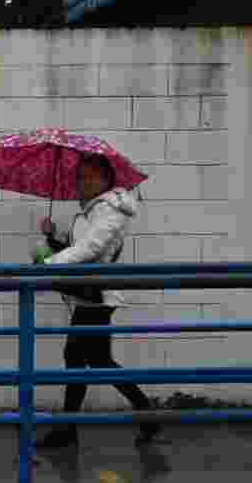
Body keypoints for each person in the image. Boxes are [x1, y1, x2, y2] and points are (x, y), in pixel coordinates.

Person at [33, 154, 161, 449]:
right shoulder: (89, 212)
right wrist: (52, 238)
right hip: (87, 293)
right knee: (78, 358)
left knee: (93, 359)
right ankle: (71, 429)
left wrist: (51, 263)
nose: (83, 182)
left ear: (106, 180)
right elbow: (77, 249)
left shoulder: (111, 209)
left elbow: (92, 248)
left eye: (91, 176)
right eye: (80, 177)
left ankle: (146, 415)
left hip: (99, 294)